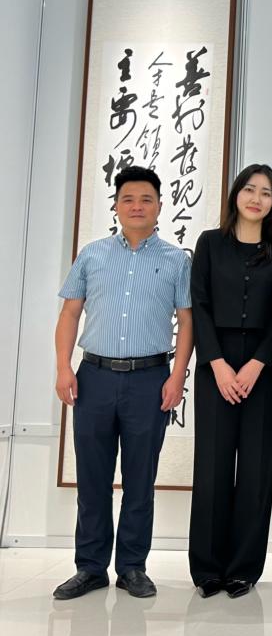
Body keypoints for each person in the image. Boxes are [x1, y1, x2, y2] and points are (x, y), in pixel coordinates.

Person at [52, 166, 193, 600]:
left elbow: (187, 322)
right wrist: (63, 367)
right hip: (93, 377)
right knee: (92, 478)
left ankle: (132, 567)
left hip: (150, 380)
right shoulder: (92, 255)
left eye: (146, 199)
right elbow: (70, 313)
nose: (137, 206)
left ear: (159, 207)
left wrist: (177, 376)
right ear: (115, 205)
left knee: (140, 480)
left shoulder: (177, 260)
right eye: (128, 199)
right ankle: (90, 567)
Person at [188, 164, 272, 599]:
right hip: (215, 362)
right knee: (212, 466)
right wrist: (216, 363)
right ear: (236, 195)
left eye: (266, 193)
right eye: (250, 189)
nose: (256, 198)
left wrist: (257, 364)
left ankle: (243, 569)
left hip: (261, 368)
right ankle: (207, 568)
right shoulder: (210, 243)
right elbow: (199, 304)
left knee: (255, 467)